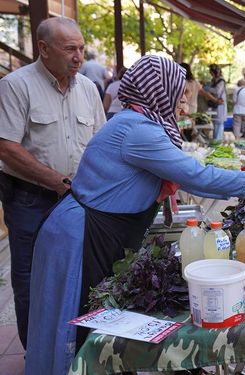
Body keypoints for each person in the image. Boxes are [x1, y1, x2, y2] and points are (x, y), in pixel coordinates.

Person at [25, 54, 245, 374]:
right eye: (179, 90)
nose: (184, 97)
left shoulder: (138, 122)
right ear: (159, 90)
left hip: (95, 228)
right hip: (81, 233)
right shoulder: (139, 130)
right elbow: (193, 175)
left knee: (87, 319)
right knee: (76, 324)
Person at [0, 17, 105, 351]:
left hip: (79, 200)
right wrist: (59, 181)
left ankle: (77, 351)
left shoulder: (88, 89)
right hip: (29, 199)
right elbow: (6, 147)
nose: (79, 57)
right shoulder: (17, 85)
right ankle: (37, 355)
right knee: (32, 279)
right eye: (69, 48)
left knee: (82, 274)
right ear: (43, 49)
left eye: (82, 49)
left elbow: (101, 143)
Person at [178, 63, 218, 141]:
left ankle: (184, 142)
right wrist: (215, 100)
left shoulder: (181, 81)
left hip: (183, 110)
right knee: (188, 126)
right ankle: (189, 140)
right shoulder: (195, 82)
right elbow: (205, 93)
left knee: (180, 126)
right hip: (193, 110)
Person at [206, 64, 227, 141]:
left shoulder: (221, 81)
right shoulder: (214, 80)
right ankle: (216, 141)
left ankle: (217, 142)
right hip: (215, 105)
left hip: (220, 104)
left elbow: (217, 91)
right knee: (215, 123)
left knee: (219, 123)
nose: (210, 74)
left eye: (211, 72)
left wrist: (207, 88)